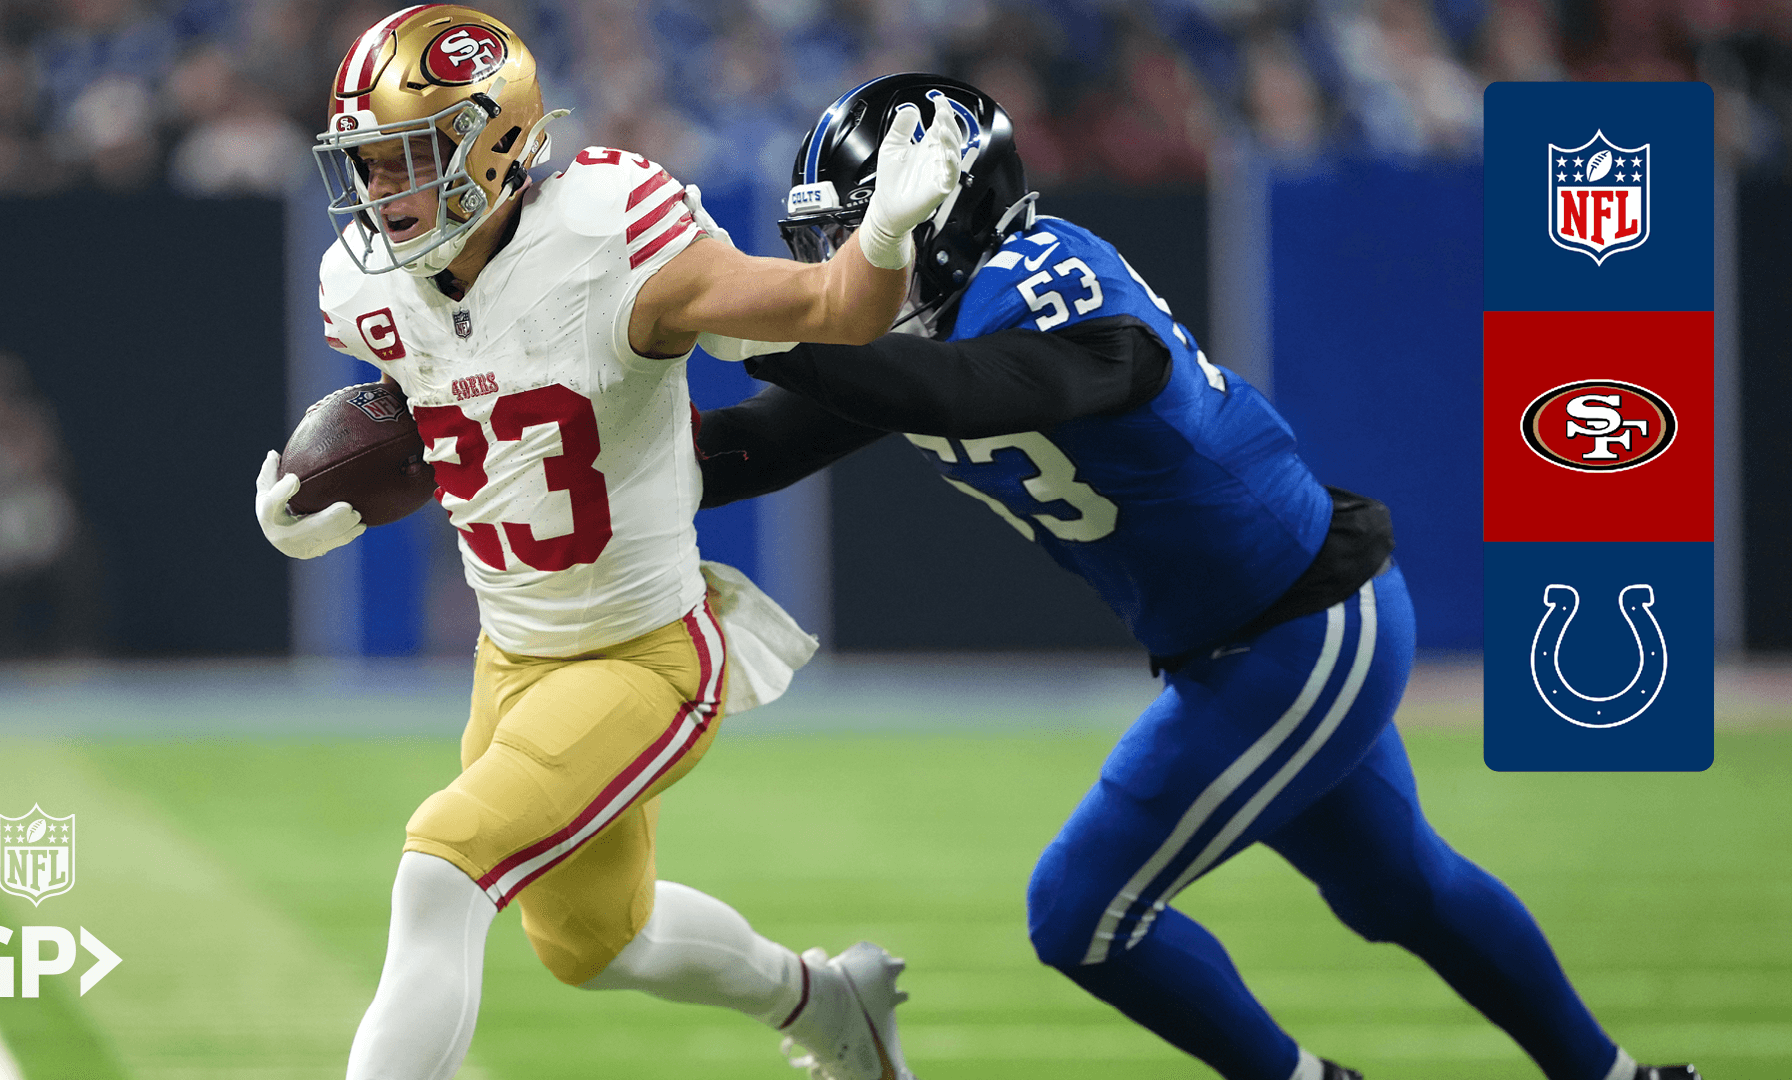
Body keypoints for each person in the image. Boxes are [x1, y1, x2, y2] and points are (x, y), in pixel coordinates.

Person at [695, 73, 1702, 1080]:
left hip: (1302, 622)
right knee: (1400, 890)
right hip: (1239, 643)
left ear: (947, 216)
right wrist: (609, 431)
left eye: (856, 231)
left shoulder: (1047, 277)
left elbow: (972, 390)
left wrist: (760, 327)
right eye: (824, 242)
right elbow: (753, 449)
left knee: (1082, 913)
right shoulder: (914, 332)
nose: (837, 264)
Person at [253, 10, 965, 1079]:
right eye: (368, 163)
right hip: (511, 659)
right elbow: (461, 417)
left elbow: (836, 308)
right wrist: (320, 502)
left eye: (409, 158)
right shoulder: (367, 290)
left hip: (641, 656)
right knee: (595, 944)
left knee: (441, 868)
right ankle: (831, 1004)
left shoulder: (610, 236)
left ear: (494, 144)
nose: (382, 191)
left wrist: (884, 243)